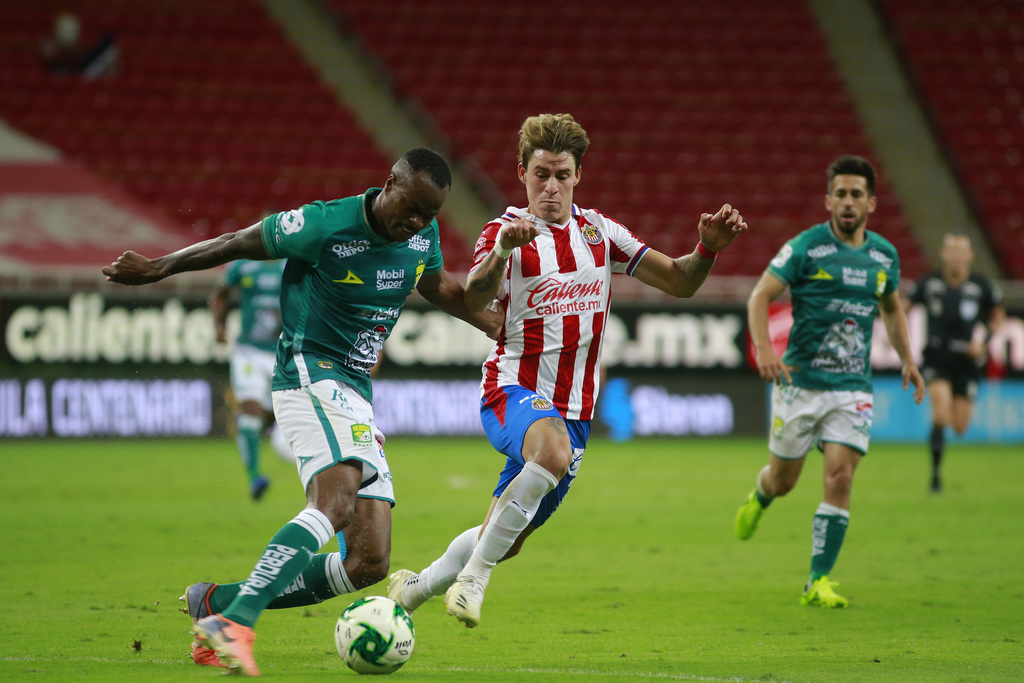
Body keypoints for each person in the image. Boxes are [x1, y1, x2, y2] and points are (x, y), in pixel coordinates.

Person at [103, 148, 500, 675]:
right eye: (412, 208)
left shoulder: (421, 238)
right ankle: (236, 623)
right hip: (310, 373)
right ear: (390, 185)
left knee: (368, 561)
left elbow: (442, 288)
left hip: (355, 392)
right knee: (333, 503)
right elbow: (236, 241)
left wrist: (502, 328)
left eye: (430, 215)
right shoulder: (325, 224)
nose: (417, 222)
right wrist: (160, 267)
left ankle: (216, 603)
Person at [386, 112, 748, 628]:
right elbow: (476, 297)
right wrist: (504, 251)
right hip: (511, 389)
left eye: (561, 175)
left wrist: (707, 249)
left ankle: (413, 589)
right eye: (541, 175)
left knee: (506, 536)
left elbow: (679, 281)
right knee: (548, 457)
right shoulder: (502, 233)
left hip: (574, 413)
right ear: (522, 174)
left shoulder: (600, 232)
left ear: (578, 175)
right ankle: (474, 580)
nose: (551, 187)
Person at [734, 155, 926, 608]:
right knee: (783, 481)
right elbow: (760, 296)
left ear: (871, 203)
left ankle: (817, 580)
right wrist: (764, 349)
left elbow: (892, 308)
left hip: (852, 388)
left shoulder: (884, 255)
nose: (848, 201)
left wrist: (908, 360)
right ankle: (761, 496)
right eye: (840, 194)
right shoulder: (806, 247)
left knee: (840, 477)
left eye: (856, 194)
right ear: (828, 200)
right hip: (800, 385)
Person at [906, 233, 1005, 492]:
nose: (956, 257)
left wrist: (984, 343)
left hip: (967, 361)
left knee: (960, 426)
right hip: (937, 356)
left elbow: (998, 316)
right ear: (944, 254)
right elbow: (903, 307)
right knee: (941, 413)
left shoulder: (981, 286)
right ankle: (935, 475)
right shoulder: (929, 282)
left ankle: (939, 443)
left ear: (970, 256)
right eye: (952, 251)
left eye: (961, 252)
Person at [209, 259, 292, 501]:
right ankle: (255, 476)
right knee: (250, 409)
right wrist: (219, 325)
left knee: (274, 413)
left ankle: (255, 430)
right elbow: (219, 294)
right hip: (248, 351)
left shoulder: (292, 262)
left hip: (282, 351)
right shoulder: (242, 265)